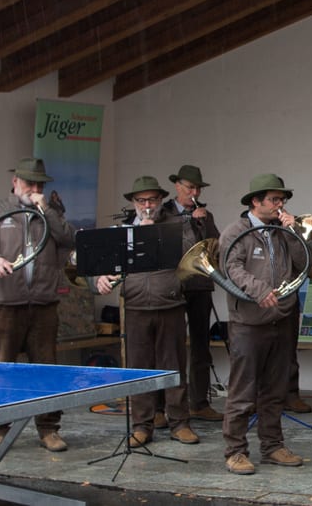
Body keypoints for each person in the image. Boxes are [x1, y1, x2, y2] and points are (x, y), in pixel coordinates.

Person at [0, 157, 76, 454]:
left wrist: (46, 208)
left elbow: (68, 238)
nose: (34, 188)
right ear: (15, 181)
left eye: (39, 184)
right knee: (0, 369)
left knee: (46, 369)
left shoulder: (50, 213)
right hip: (4, 303)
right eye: (29, 182)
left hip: (43, 303)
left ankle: (48, 429)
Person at [94, 176, 199, 448]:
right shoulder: (123, 231)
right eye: (142, 200)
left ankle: (180, 423)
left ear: (161, 200)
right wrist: (101, 279)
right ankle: (143, 425)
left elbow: (193, 255)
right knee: (138, 370)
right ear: (133, 203)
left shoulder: (178, 225)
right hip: (136, 308)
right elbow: (105, 266)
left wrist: (154, 234)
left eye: (152, 199)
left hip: (171, 304)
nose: (147, 205)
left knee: (174, 367)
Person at [219, 174, 307, 474]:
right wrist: (258, 290)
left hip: (281, 318)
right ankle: (235, 451)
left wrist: (293, 232)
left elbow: (302, 261)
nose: (280, 205)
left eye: (282, 200)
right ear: (255, 202)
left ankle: (272, 446)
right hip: (248, 322)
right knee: (243, 390)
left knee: (275, 389)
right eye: (274, 200)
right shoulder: (236, 232)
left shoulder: (282, 230)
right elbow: (231, 267)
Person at [161, 165, 224, 422]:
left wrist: (203, 224)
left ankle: (199, 402)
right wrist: (186, 220)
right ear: (177, 186)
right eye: (190, 187)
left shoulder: (205, 215)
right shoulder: (163, 213)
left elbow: (216, 244)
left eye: (197, 188)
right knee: (168, 348)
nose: (194, 192)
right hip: (172, 286)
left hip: (199, 284)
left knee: (201, 345)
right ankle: (164, 407)